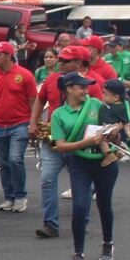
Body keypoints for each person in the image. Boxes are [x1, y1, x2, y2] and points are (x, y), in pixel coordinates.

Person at [50, 73, 117, 260]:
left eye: (87, 87)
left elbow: (115, 120)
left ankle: (108, 242)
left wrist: (115, 130)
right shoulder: (58, 114)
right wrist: (85, 143)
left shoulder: (95, 104)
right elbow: (60, 146)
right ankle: (78, 252)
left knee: (104, 204)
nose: (85, 90)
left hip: (104, 162)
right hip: (79, 162)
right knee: (79, 206)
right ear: (69, 88)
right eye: (81, 87)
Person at [29, 45, 91, 238]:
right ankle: (50, 224)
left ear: (78, 63)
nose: (60, 63)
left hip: (78, 142)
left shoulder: (90, 83)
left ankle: (82, 220)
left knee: (80, 183)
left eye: (66, 61)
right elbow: (40, 100)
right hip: (53, 139)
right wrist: (33, 122)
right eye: (60, 60)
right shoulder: (51, 79)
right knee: (47, 179)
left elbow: (97, 109)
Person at [0, 41, 37, 213]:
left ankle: (21, 196)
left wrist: (33, 123)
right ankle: (9, 197)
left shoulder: (25, 75)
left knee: (15, 159)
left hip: (20, 123)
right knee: (4, 162)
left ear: (8, 55)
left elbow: (33, 101)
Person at [96, 79, 130, 166]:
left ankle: (108, 154)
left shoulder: (120, 108)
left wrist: (128, 132)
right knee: (114, 140)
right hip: (109, 129)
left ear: (116, 97)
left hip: (108, 129)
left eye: (106, 94)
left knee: (101, 140)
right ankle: (117, 152)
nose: (103, 96)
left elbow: (126, 122)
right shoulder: (106, 104)